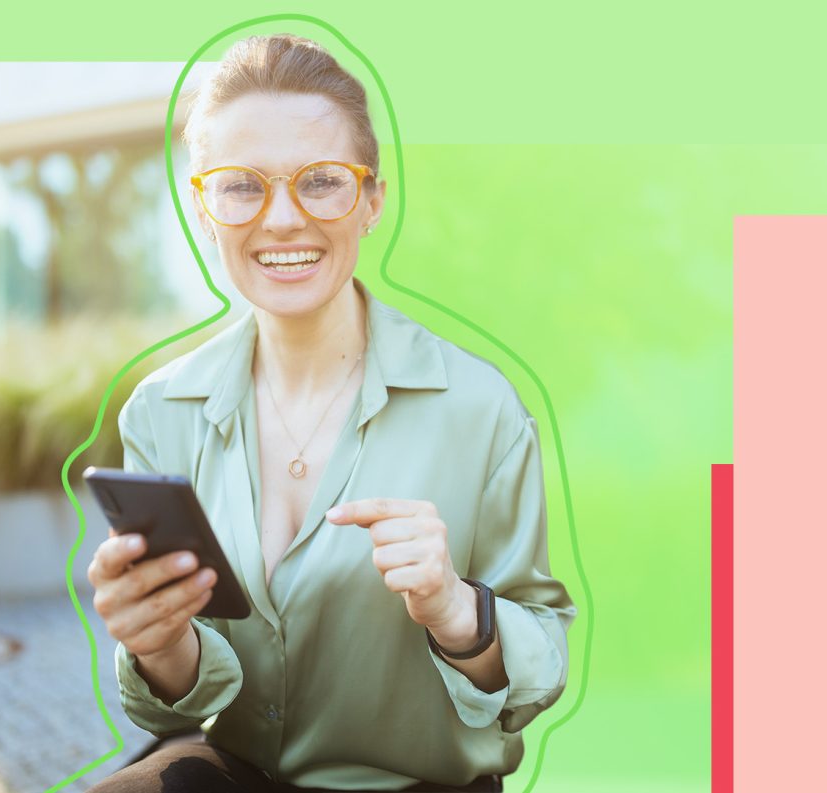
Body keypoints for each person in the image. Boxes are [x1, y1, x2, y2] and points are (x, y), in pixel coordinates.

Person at [85, 34, 575, 793]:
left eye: (321, 181)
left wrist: (456, 610)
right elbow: (187, 693)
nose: (281, 219)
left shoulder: (480, 409)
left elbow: (540, 665)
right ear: (204, 208)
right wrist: (157, 641)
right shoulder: (161, 410)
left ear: (371, 200)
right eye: (242, 186)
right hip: (242, 771)